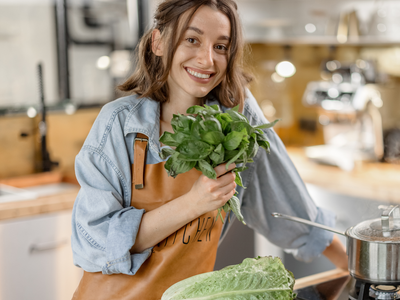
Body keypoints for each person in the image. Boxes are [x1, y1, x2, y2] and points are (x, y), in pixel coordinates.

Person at [70, 0, 348, 299]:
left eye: (221, 47)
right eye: (192, 40)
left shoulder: (237, 120)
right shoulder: (119, 122)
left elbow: (287, 204)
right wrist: (194, 203)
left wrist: (356, 271)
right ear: (159, 42)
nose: (207, 60)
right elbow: (95, 242)